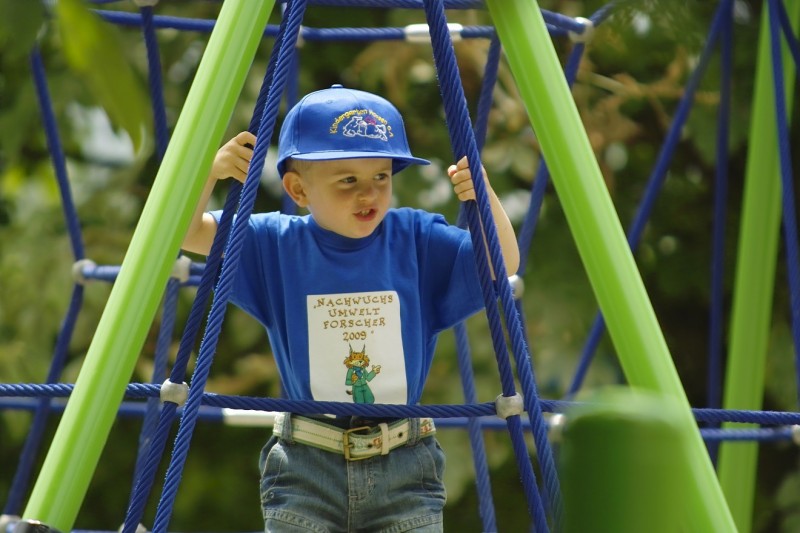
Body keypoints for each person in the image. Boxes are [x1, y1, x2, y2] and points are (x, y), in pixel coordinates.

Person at [182, 85, 519, 532]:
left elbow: (501, 266)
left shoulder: (415, 238)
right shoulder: (274, 243)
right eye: (348, 180)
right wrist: (209, 173)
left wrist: (485, 196)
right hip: (306, 465)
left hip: (404, 464)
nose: (369, 194)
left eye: (381, 177)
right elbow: (185, 233)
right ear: (298, 189)